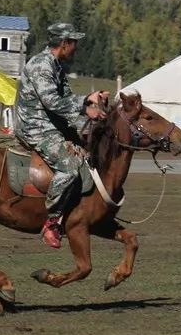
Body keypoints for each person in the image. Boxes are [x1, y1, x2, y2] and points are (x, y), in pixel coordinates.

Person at [14, 23, 109, 249]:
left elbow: (66, 97)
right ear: (64, 43)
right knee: (69, 167)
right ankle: (52, 222)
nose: (76, 47)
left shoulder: (57, 66)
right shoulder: (40, 66)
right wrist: (85, 106)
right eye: (74, 43)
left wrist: (90, 102)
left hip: (52, 123)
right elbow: (52, 102)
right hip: (35, 127)